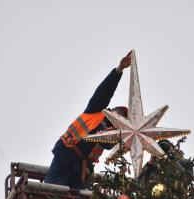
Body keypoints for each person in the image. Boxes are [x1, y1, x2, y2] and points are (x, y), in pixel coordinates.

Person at [44, 51, 132, 189]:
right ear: (112, 110)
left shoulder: (115, 134)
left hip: (82, 168)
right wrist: (119, 70)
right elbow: (104, 91)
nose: (119, 115)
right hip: (66, 155)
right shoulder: (96, 110)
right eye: (118, 112)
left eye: (122, 116)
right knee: (53, 192)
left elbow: (107, 145)